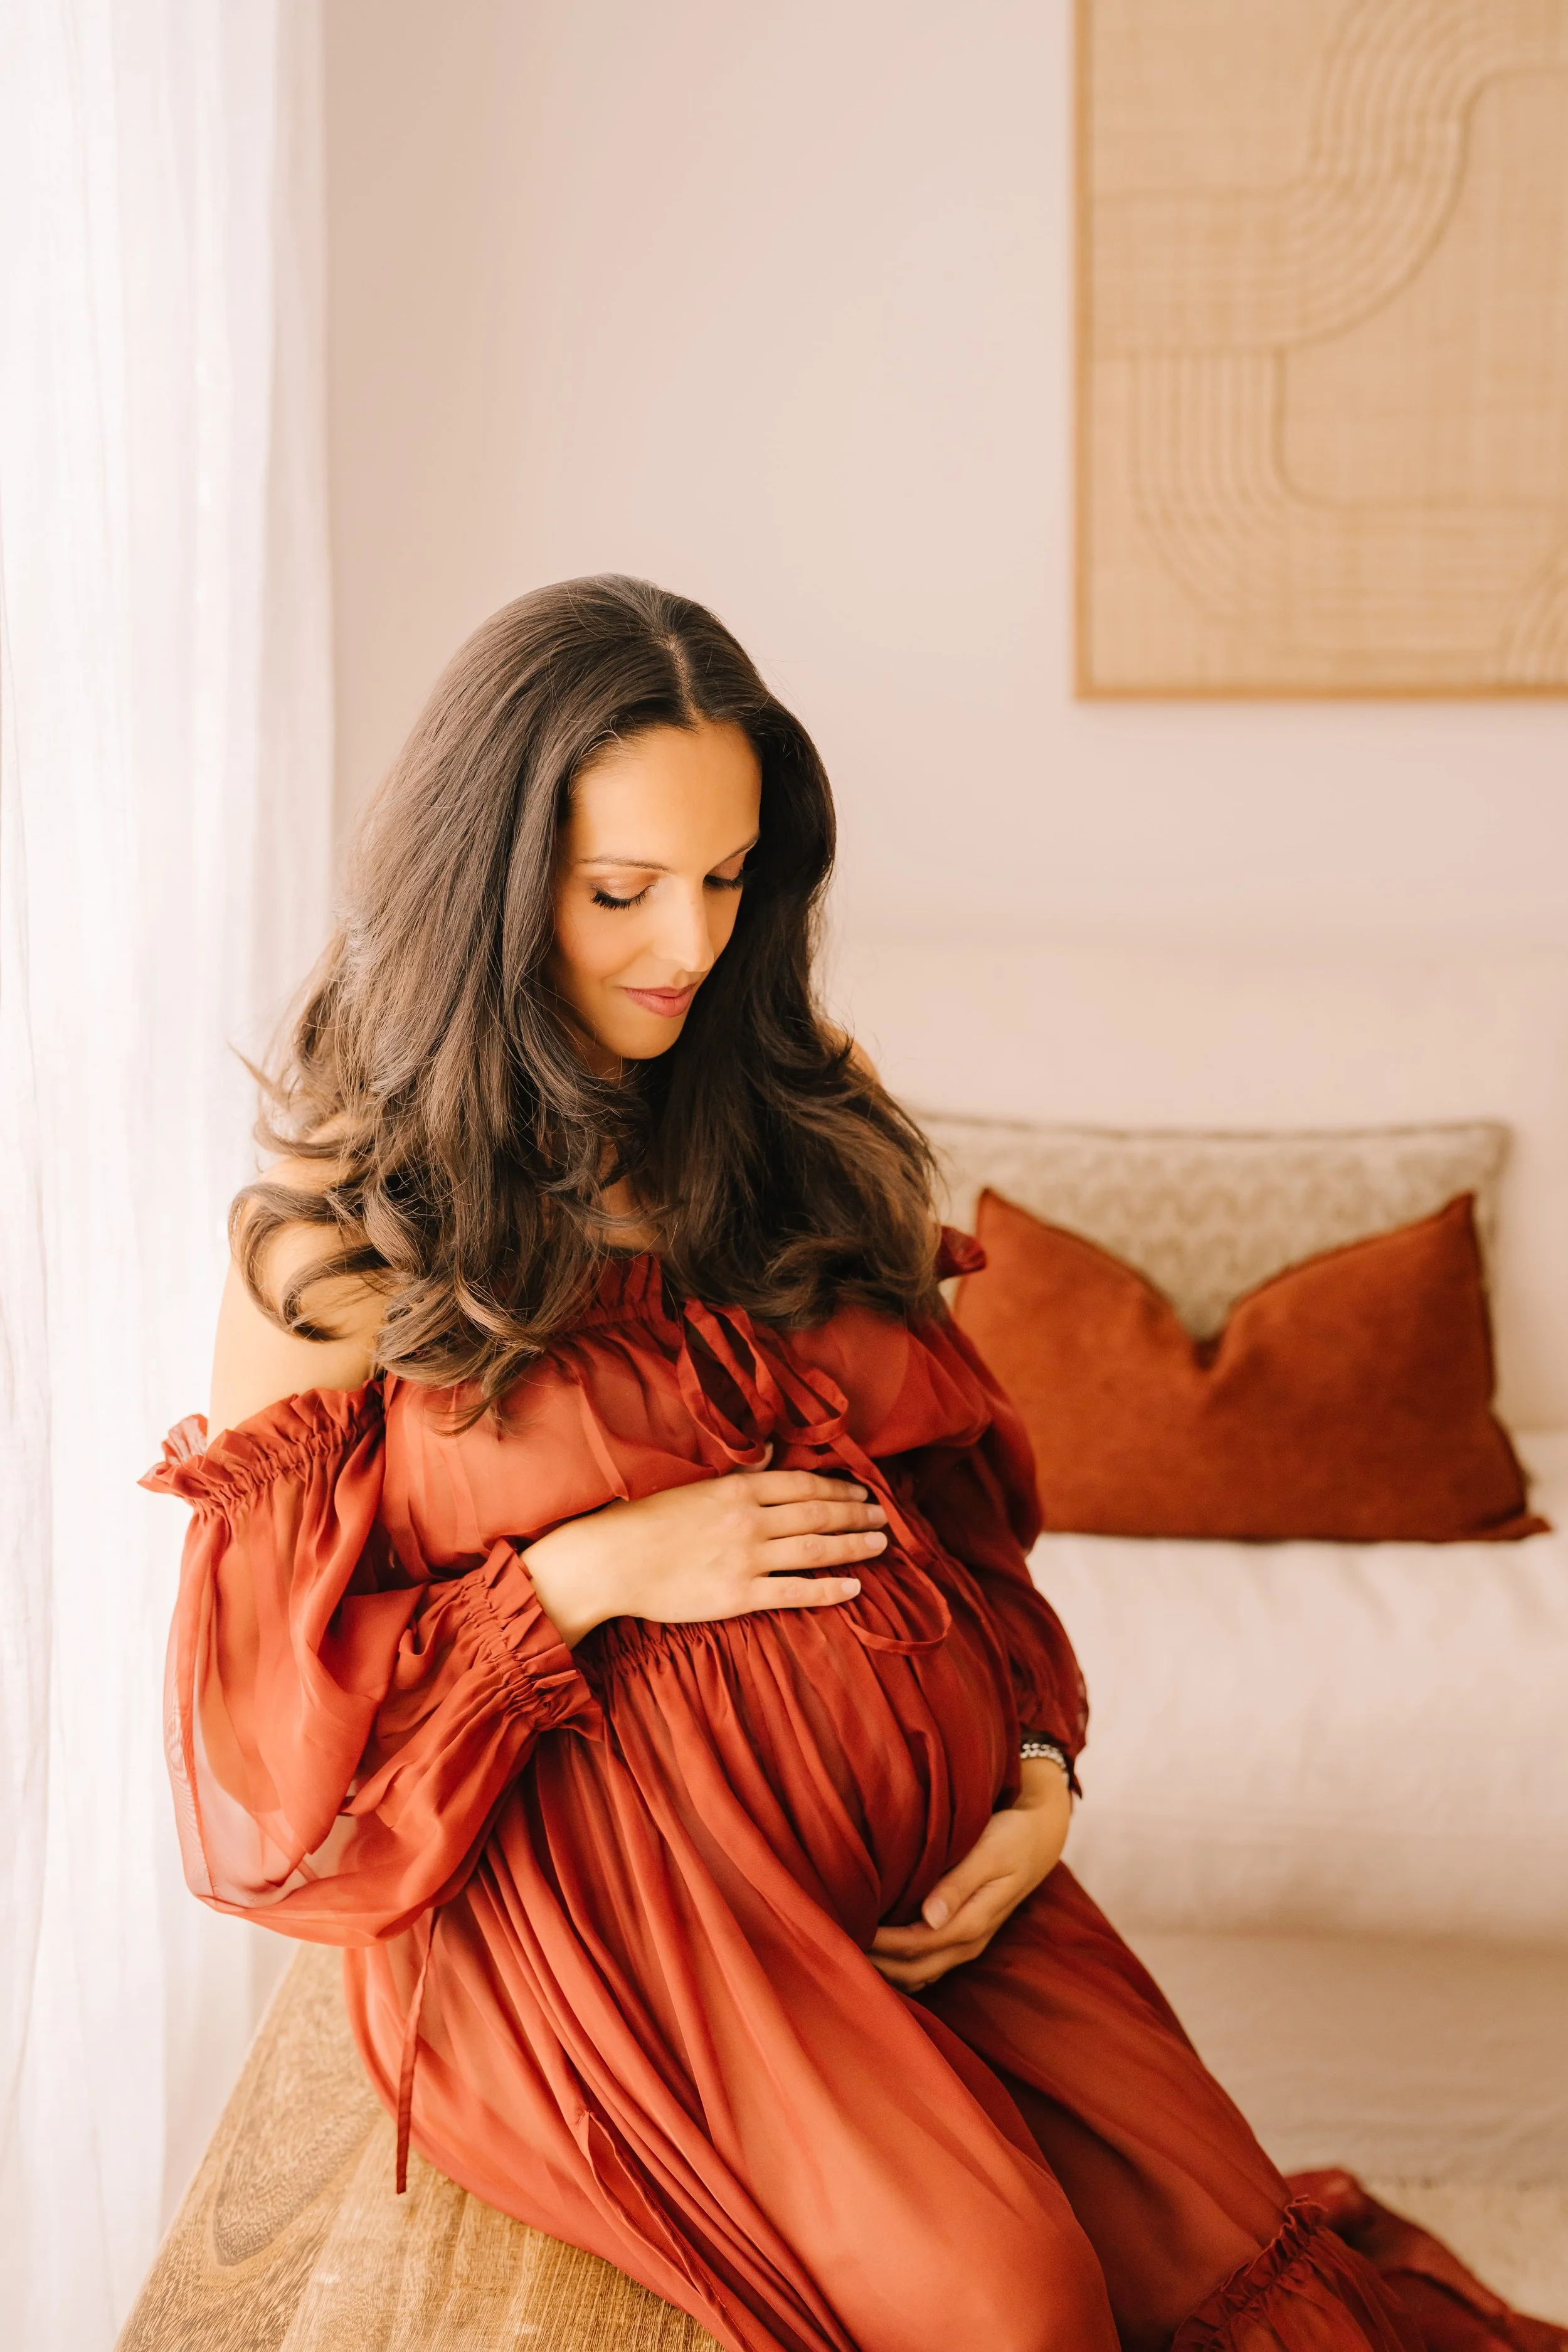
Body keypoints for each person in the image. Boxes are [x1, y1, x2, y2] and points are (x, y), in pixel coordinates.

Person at [143, 579, 1537, 2352]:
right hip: (622, 1913)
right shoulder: (338, 1244)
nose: (687, 942)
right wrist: (595, 1568)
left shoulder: (788, 1113)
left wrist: (1033, 1768)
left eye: (727, 878)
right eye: (621, 890)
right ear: (484, 888)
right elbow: (271, 1760)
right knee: (1017, 2310)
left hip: (930, 1884)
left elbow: (959, 1508)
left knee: (1213, 2259)